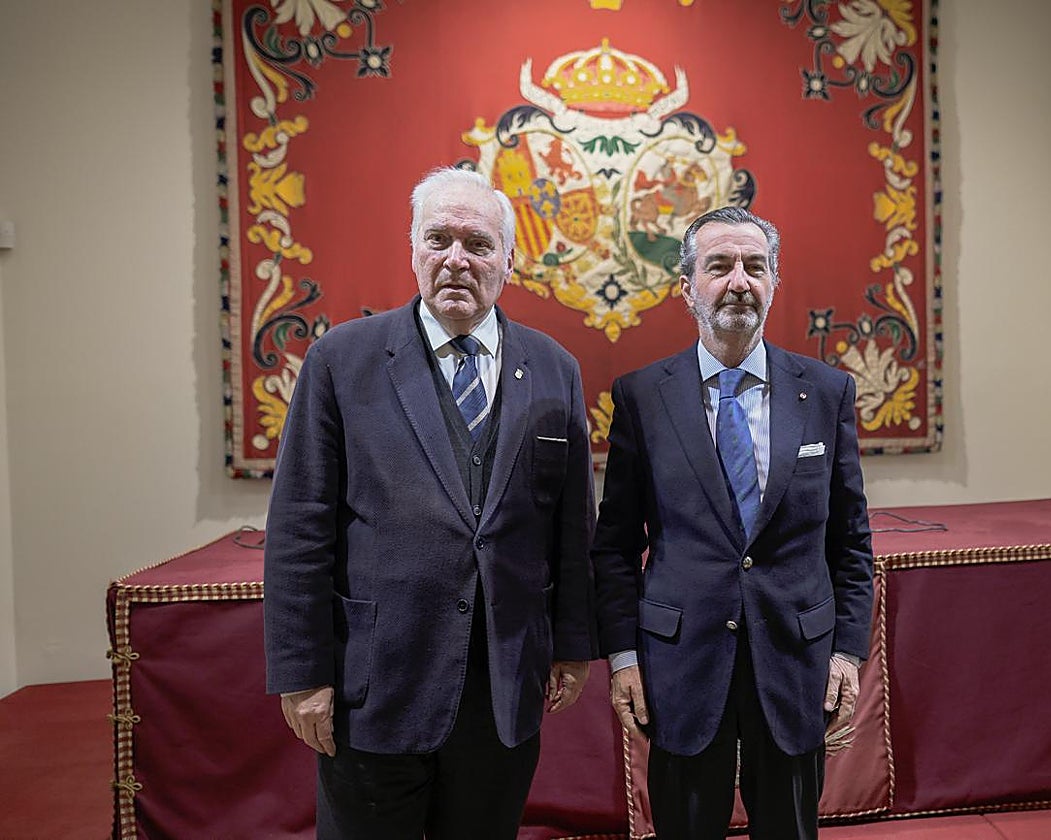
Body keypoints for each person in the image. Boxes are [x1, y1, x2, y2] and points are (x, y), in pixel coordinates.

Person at [263, 167, 596, 839]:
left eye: (477, 244)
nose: (456, 259)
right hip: (374, 684)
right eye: (438, 239)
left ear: (508, 260)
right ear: (413, 249)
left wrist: (573, 643)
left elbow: (571, 526)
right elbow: (299, 528)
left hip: (503, 685)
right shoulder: (341, 361)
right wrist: (301, 675)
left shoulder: (554, 367)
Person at [591, 206, 874, 839]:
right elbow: (614, 547)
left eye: (755, 266)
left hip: (795, 661)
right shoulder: (641, 396)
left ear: (775, 282)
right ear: (687, 285)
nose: (739, 281)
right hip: (680, 663)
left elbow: (851, 542)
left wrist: (848, 653)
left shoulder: (826, 392)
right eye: (719, 266)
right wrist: (623, 656)